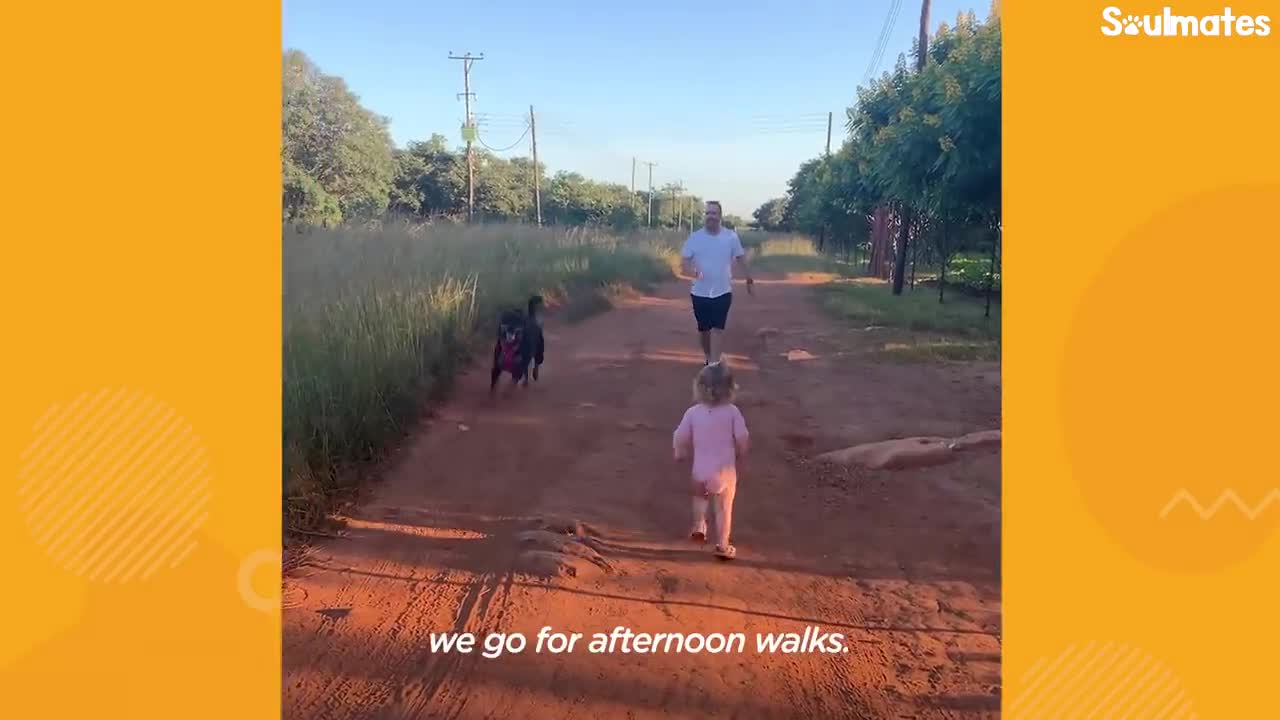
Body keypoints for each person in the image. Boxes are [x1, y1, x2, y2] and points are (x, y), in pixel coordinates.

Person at [672, 362, 750, 560]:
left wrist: (679, 452)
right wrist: (742, 452)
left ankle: (699, 525)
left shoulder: (693, 413)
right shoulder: (732, 412)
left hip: (700, 471)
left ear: (699, 387)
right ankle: (723, 545)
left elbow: (679, 436)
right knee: (724, 508)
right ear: (730, 388)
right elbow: (742, 438)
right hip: (724, 472)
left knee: (700, 498)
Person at [680, 201, 753, 365]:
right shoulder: (695, 238)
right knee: (704, 330)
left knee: (718, 328)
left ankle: (714, 363)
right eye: (708, 213)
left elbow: (741, 257)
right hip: (699, 292)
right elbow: (684, 261)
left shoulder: (730, 237)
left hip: (723, 291)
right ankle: (708, 357)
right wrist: (693, 272)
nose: (710, 216)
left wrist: (749, 278)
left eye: (714, 213)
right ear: (704, 216)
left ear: (720, 216)